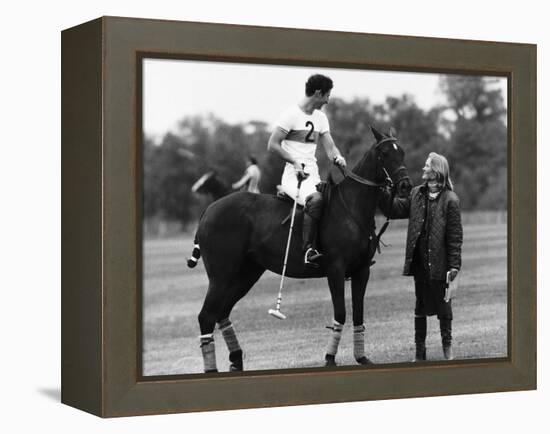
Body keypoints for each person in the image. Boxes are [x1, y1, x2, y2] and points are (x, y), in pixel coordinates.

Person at [380, 152, 463, 361]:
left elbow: (455, 237)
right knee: (420, 306)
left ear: (435, 171)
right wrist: (383, 192)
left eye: (427, 166)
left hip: (441, 264)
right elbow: (394, 209)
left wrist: (454, 266)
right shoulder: (416, 193)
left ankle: (447, 347)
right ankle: (420, 352)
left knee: (444, 307)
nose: (423, 168)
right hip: (419, 263)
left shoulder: (450, 200)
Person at [267, 74, 346, 267]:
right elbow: (272, 145)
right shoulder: (290, 115)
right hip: (293, 177)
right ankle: (307, 250)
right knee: (316, 200)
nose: (328, 100)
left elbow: (330, 147)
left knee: (337, 201)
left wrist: (338, 156)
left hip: (313, 176)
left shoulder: (321, 118)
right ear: (318, 93)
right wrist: (294, 161)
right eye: (327, 95)